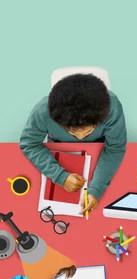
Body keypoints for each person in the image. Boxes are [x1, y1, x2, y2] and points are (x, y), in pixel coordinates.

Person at [20, 74, 127, 215]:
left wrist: (96, 190)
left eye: (88, 130)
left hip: (99, 142)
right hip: (59, 144)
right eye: (71, 130)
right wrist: (60, 176)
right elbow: (29, 144)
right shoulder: (42, 112)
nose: (80, 137)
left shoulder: (112, 107)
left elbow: (115, 148)